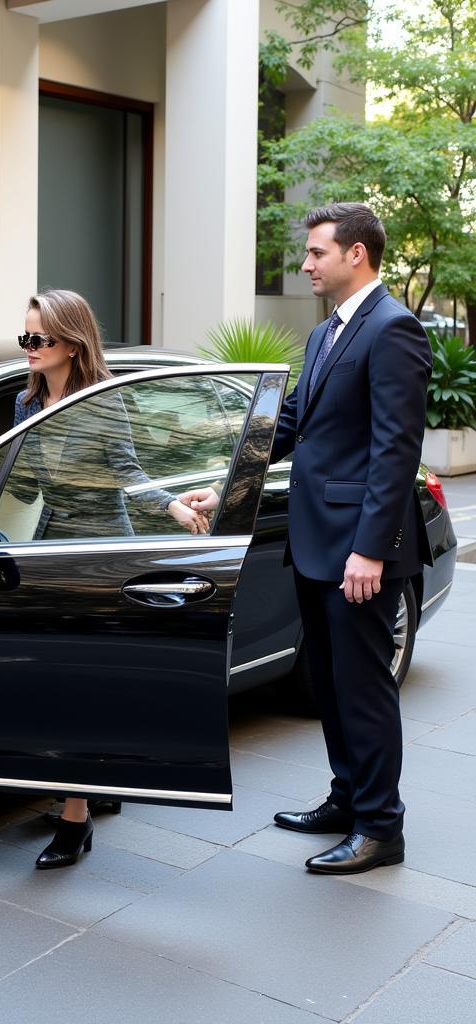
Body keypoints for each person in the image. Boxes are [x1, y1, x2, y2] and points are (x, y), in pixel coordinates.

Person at [190, 203, 432, 874]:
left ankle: (382, 828)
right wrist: (228, 488)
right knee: (326, 682)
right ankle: (347, 798)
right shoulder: (326, 333)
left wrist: (371, 548)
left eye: (317, 252)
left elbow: (394, 450)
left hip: (357, 550)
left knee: (363, 688)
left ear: (357, 254)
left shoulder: (394, 329)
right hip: (316, 541)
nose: (305, 264)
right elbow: (290, 424)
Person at [11, 289, 209, 869]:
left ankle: (76, 821)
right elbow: (22, 484)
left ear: (71, 343)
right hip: (50, 544)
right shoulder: (26, 404)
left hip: (100, 547)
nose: (29, 349)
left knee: (77, 684)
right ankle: (92, 783)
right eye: (24, 338)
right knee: (51, 678)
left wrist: (173, 507)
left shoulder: (102, 402)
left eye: (38, 340)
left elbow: (127, 472)